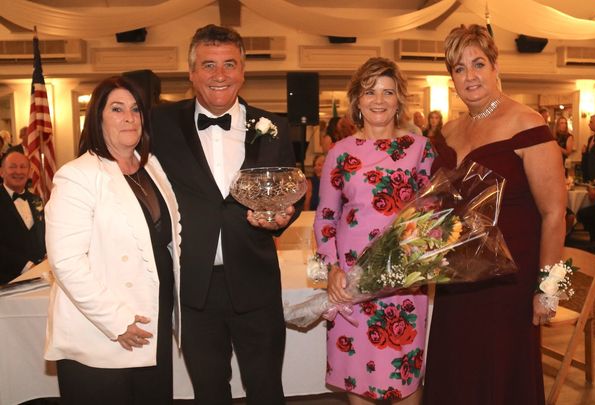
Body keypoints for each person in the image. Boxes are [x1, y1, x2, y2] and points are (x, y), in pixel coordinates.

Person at [151, 24, 300, 405]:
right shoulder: (160, 125)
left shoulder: (273, 127)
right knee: (209, 393)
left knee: (267, 390)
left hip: (256, 281)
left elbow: (290, 189)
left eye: (229, 64)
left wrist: (287, 213)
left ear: (243, 70)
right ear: (192, 73)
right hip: (193, 288)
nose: (220, 75)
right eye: (208, 65)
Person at [422, 25, 565, 405]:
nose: (470, 76)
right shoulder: (450, 130)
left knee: (500, 373)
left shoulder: (527, 122)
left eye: (478, 64)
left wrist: (547, 288)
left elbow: (554, 213)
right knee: (457, 368)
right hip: (457, 278)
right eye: (459, 68)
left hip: (509, 283)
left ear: (495, 66)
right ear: (451, 78)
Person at [44, 76, 181, 404]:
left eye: (135, 109)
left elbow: (172, 237)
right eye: (117, 109)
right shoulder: (77, 175)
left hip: (152, 322)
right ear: (97, 118)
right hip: (102, 334)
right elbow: (66, 262)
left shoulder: (152, 167)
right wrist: (117, 322)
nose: (129, 117)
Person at [314, 57, 433, 404]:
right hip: (352, 286)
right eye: (369, 92)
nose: (378, 100)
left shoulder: (420, 149)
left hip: (404, 282)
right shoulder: (339, 153)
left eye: (388, 92)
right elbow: (324, 217)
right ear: (357, 100)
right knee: (359, 381)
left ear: (399, 100)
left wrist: (416, 256)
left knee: (405, 378)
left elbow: (429, 215)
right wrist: (333, 267)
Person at [0, 150, 45, 284]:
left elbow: (42, 232)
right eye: (12, 167)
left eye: (23, 167)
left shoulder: (36, 199)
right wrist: (26, 266)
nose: (18, 172)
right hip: (6, 281)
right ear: (1, 172)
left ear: (30, 172)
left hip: (38, 276)